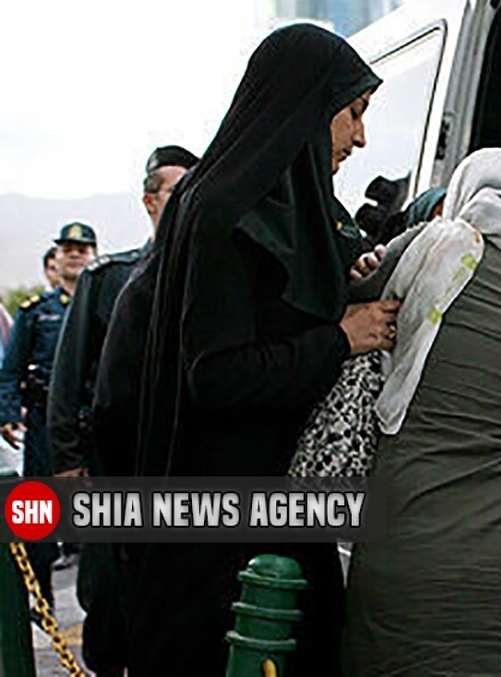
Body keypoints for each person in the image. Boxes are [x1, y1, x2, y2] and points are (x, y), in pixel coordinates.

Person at [100, 24, 391, 676]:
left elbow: (285, 294)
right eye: (353, 112)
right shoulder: (224, 212)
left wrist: (348, 271)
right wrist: (340, 338)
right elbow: (218, 374)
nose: (360, 138)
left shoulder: (282, 208)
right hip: (221, 540)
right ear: (307, 106)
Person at [341, 148, 501, 676]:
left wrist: (364, 267)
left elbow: (339, 310)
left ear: (460, 195)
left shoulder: (425, 249)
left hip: (408, 571)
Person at [46, 144, 197, 677]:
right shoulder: (110, 278)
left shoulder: (207, 275)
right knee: (108, 601)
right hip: (112, 468)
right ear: (150, 201)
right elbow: (68, 378)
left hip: (179, 471)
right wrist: (67, 463)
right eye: (177, 191)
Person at [0, 222, 98, 607]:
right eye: (66, 249)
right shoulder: (36, 312)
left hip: (90, 423)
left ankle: (97, 611)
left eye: (81, 249)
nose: (74, 255)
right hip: (44, 425)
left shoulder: (105, 302)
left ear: (93, 255)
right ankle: (43, 605)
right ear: (55, 258)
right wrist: (8, 412)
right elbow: (11, 368)